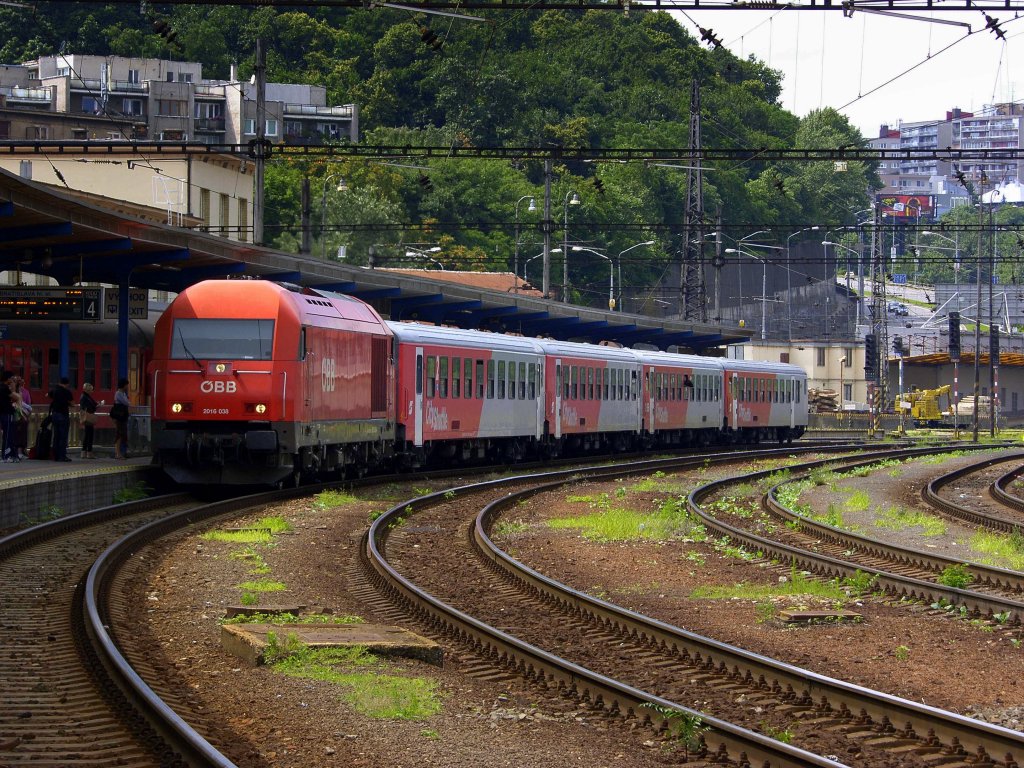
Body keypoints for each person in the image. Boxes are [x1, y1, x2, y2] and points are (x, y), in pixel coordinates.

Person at [48, 376, 74, 462]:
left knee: (56, 435)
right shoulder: (66, 392)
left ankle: (55, 455)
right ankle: (62, 456)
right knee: (63, 436)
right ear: (67, 384)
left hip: (55, 414)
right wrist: (67, 403)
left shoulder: (54, 390)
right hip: (63, 414)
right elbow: (72, 403)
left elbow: (47, 395)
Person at [12, 376, 31, 460]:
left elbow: (26, 404)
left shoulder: (23, 392)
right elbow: (24, 404)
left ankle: (19, 451)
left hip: (20, 415)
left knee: (20, 434)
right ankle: (18, 452)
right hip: (19, 415)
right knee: (19, 434)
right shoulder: (15, 392)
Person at [112, 378, 131, 460]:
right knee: (119, 434)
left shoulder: (123, 393)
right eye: (126, 385)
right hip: (119, 416)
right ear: (123, 385)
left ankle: (119, 453)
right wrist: (128, 402)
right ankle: (117, 453)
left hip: (123, 416)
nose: (127, 386)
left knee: (121, 433)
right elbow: (126, 403)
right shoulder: (119, 393)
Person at [79, 382, 98, 459]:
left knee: (87, 435)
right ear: (87, 390)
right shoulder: (85, 397)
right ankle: (89, 453)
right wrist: (96, 406)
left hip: (86, 416)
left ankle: (84, 452)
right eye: (91, 390)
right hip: (88, 416)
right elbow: (91, 406)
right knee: (89, 435)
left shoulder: (85, 396)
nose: (92, 391)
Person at [0, 371, 14, 462]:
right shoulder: (5, 388)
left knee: (5, 435)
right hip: (7, 413)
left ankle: (4, 455)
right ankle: (6, 456)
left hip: (1, 413)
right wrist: (13, 387)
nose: (12, 380)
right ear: (8, 379)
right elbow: (15, 397)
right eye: (11, 378)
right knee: (7, 435)